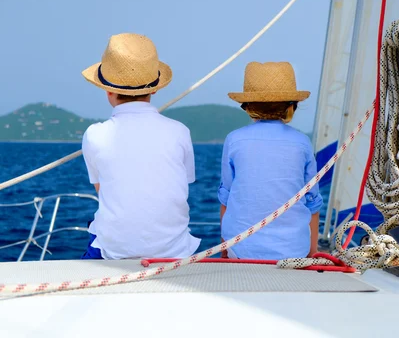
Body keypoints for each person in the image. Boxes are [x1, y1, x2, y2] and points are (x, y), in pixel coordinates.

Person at [80, 32, 200, 260]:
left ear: (107, 89)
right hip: (173, 250)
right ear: (155, 88)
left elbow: (101, 189)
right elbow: (180, 187)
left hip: (113, 251)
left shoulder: (94, 135)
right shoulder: (179, 131)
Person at [218, 61, 323, 260]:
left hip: (240, 249)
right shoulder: (302, 142)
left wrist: (226, 246)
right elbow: (312, 202)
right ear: (292, 105)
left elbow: (226, 198)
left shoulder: (234, 140)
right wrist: (312, 252)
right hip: (294, 251)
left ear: (247, 105)